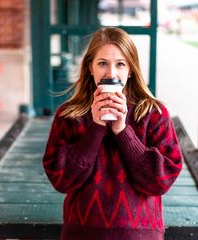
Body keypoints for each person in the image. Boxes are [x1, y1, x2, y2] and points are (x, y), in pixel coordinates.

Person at [43, 27, 183, 240]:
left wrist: (122, 130)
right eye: (102, 64)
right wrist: (96, 127)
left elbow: (160, 181)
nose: (111, 73)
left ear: (131, 69)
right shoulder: (68, 115)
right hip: (82, 234)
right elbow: (61, 181)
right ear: (90, 67)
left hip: (139, 236)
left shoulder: (154, 114)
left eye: (120, 64)